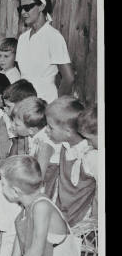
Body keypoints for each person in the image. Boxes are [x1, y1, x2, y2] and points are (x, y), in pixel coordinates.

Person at [15, 0, 74, 103]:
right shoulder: (23, 38)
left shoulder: (53, 37)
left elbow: (69, 78)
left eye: (27, 7)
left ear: (42, 6)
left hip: (45, 102)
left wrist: (56, 105)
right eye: (20, 8)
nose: (23, 12)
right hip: (23, 102)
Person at [45, 96, 97, 227]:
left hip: (81, 220)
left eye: (50, 127)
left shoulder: (91, 156)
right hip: (63, 213)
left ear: (67, 132)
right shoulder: (65, 145)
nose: (46, 130)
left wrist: (93, 221)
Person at [11, 97, 62, 198]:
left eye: (17, 124)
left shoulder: (45, 144)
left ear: (31, 130)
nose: (12, 126)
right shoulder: (34, 135)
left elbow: (38, 177)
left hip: (46, 191)